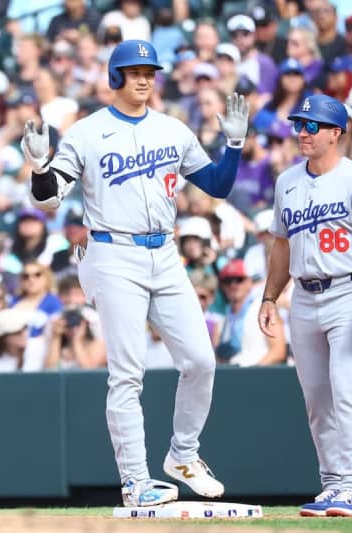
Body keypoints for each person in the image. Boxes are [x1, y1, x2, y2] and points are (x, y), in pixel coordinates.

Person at [22, 39, 248, 507]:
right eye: (134, 71)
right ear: (115, 77)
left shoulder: (172, 129)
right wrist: (41, 166)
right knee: (128, 373)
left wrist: (234, 145)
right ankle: (134, 481)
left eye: (150, 71)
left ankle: (183, 454)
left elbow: (218, 186)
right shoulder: (86, 132)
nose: (144, 78)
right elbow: (47, 199)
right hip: (111, 251)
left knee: (202, 361)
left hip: (163, 252)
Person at [258, 94, 352, 517]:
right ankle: (332, 483)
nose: (303, 131)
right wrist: (268, 296)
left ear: (336, 132)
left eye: (312, 125)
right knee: (317, 397)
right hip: (303, 296)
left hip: (349, 291)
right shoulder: (287, 182)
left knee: (347, 389)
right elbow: (281, 246)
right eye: (300, 123)